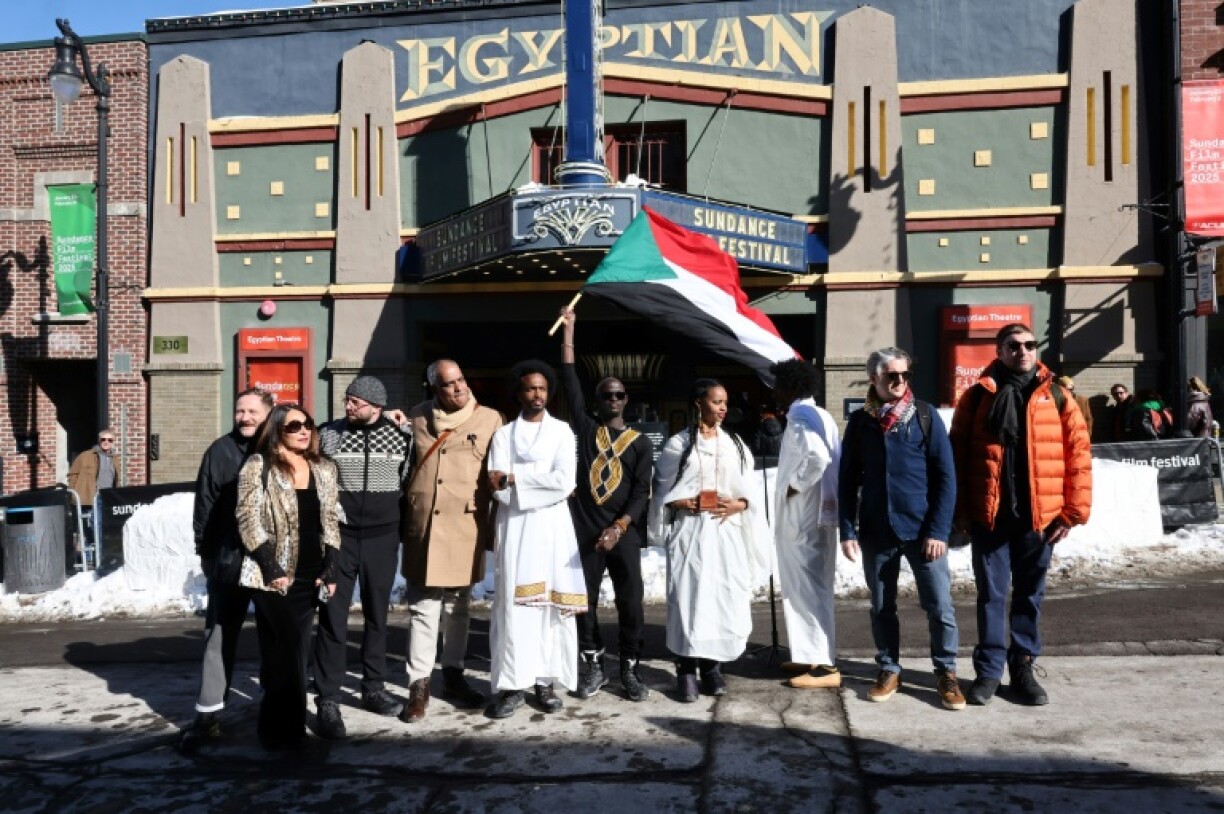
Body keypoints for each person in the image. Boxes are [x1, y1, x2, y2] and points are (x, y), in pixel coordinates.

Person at [950, 323, 1091, 707]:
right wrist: (960, 508)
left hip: (1039, 518)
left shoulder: (1058, 396)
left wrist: (1071, 513)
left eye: (1030, 345)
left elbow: (1078, 455)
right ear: (999, 351)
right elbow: (957, 455)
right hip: (990, 516)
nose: (1023, 351)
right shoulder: (978, 396)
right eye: (1014, 346)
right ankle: (989, 672)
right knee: (991, 596)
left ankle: (1023, 666)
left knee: (1029, 595)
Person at [839, 348, 963, 710]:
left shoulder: (925, 416)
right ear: (874, 379)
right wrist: (847, 529)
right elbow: (847, 482)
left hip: (923, 531)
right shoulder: (861, 422)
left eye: (904, 376)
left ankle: (946, 671)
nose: (899, 382)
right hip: (877, 532)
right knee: (881, 607)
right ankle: (889, 668)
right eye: (891, 376)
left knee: (939, 606)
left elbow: (946, 477)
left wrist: (939, 531)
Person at [399, 359, 502, 723]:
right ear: (434, 388)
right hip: (423, 524)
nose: (458, 388)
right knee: (423, 607)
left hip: (465, 526)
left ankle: (454, 676)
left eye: (460, 380)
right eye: (448, 384)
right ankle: (419, 687)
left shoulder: (490, 419)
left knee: (458, 608)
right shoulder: (416, 417)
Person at [559, 308, 654, 701]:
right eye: (605, 394)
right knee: (586, 603)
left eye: (618, 394)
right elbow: (568, 382)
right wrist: (569, 333)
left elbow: (641, 491)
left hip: (623, 534)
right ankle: (593, 663)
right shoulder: (586, 429)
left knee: (631, 602)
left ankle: (629, 668)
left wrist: (619, 527)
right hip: (584, 532)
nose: (612, 399)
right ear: (597, 401)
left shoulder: (641, 442)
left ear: (626, 400)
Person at [649, 378, 764, 702]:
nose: (723, 408)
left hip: (725, 532)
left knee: (720, 598)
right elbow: (661, 492)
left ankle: (712, 669)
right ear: (698, 403)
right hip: (691, 532)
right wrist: (683, 501)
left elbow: (749, 491)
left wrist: (740, 504)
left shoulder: (736, 445)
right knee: (689, 599)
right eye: (716, 401)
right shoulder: (678, 445)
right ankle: (686, 669)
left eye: (725, 402)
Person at [236, 403, 341, 750]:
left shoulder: (323, 468)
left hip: (311, 575)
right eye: (295, 425)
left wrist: (331, 566)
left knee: (294, 649)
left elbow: (329, 519)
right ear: (278, 429)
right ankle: (283, 730)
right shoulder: (259, 465)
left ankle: (280, 727)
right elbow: (247, 518)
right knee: (286, 651)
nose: (304, 431)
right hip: (274, 576)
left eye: (308, 425)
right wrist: (270, 567)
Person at [485, 360, 586, 719]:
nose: (537, 394)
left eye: (542, 388)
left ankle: (545, 682)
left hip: (553, 528)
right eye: (530, 388)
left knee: (548, 608)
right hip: (515, 527)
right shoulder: (503, 435)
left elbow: (566, 482)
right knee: (515, 607)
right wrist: (519, 483)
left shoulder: (562, 432)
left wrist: (516, 479)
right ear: (519, 392)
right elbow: (496, 487)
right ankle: (513, 685)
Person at [313, 375, 412, 738]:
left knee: (377, 616)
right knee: (332, 617)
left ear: (377, 406)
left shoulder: (402, 436)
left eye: (356, 402)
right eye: (347, 400)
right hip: (340, 539)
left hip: (383, 538)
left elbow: (409, 476)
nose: (348, 406)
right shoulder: (330, 434)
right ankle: (327, 699)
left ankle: (373, 688)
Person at [179, 388, 273, 750]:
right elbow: (203, 505)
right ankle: (208, 713)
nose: (245, 417)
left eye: (252, 411)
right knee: (218, 636)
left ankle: (274, 706)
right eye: (240, 411)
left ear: (268, 413)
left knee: (273, 636)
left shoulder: (280, 448)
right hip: (229, 559)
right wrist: (205, 551)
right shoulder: (219, 451)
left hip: (270, 562)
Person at [767, 359, 842, 690]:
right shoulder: (819, 414)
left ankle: (824, 667)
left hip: (802, 520)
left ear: (792, 387)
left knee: (807, 590)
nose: (774, 391)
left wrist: (793, 487)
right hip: (814, 520)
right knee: (810, 588)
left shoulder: (800, 421)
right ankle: (810, 653)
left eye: (778, 385)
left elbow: (817, 458)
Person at [67, 428, 117, 551]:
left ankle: (97, 553)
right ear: (99, 440)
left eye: (109, 440)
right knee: (94, 526)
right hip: (92, 497)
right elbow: (72, 474)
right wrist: (74, 492)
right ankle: (94, 555)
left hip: (108, 498)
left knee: (100, 527)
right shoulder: (85, 456)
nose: (106, 442)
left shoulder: (114, 459)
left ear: (113, 442)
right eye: (103, 439)